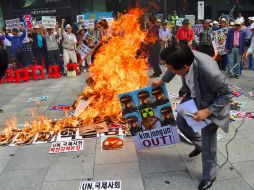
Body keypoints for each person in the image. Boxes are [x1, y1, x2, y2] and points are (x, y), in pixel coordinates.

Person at [152, 43, 230, 190]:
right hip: (194, 96)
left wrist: (207, 111)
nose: (168, 70)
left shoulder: (209, 71)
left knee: (209, 140)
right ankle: (200, 145)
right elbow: (172, 67)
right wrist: (161, 81)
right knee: (181, 122)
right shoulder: (183, 57)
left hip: (211, 103)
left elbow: (227, 94)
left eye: (170, 68)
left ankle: (209, 175)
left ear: (185, 67)